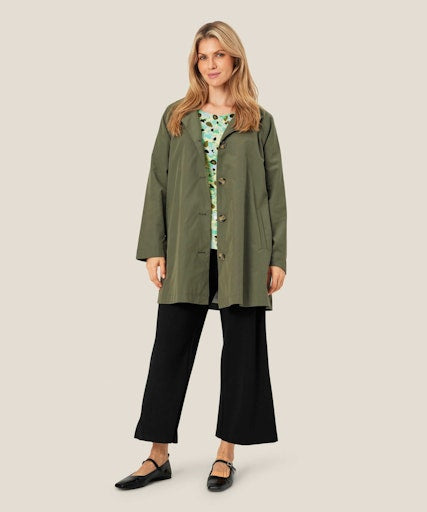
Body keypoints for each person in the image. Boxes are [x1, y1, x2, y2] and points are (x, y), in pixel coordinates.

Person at [115, 20, 287, 492]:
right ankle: (156, 456)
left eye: (218, 55)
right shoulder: (177, 116)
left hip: (245, 253)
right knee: (169, 350)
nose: (210, 64)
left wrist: (277, 256)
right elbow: (157, 182)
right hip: (186, 251)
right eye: (202, 56)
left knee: (242, 354)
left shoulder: (259, 120)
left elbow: (275, 193)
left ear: (235, 59)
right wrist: (153, 248)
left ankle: (226, 453)